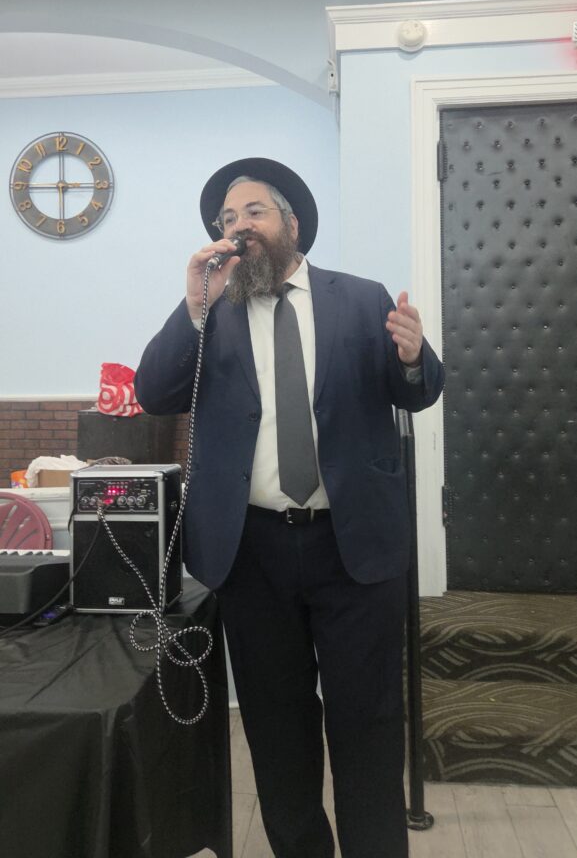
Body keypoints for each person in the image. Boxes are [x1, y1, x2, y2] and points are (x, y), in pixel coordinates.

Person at [134, 157, 444, 858]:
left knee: (367, 723)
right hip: (253, 553)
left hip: (354, 547)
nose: (238, 226)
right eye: (227, 219)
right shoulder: (213, 314)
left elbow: (417, 390)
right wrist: (193, 306)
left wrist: (411, 357)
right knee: (277, 730)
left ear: (291, 225)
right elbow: (153, 393)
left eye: (253, 212)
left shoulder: (359, 299)